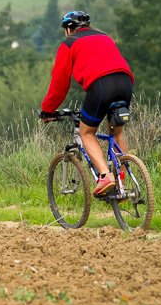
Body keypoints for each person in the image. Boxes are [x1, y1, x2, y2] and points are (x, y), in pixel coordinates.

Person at [40, 11, 134, 196]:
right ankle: (122, 181)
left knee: (87, 132)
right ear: (87, 26)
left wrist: (47, 110)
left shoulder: (69, 43)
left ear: (68, 29)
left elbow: (59, 84)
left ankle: (106, 176)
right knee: (116, 133)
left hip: (101, 85)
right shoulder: (105, 37)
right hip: (125, 82)